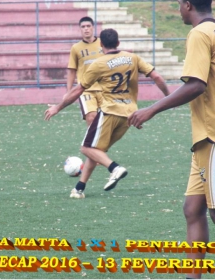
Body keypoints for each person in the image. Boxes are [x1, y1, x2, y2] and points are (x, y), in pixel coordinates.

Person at [128, 0, 214, 278]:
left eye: (179, 4)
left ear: (187, 5)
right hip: (203, 141)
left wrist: (152, 108)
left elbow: (196, 84)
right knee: (193, 209)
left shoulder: (200, 34)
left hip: (212, 138)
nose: (178, 9)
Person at [45, 28, 169, 199]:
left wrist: (57, 107)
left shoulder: (98, 63)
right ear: (118, 43)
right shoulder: (132, 58)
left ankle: (114, 168)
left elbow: (78, 90)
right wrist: (169, 98)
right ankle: (79, 188)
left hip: (110, 112)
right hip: (129, 115)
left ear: (101, 44)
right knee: (97, 151)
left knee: (86, 148)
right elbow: (158, 78)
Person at [66, 16, 103, 126]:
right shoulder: (76, 48)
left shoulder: (103, 43)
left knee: (106, 121)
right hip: (86, 89)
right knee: (91, 117)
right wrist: (69, 92)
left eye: (88, 26)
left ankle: (100, 142)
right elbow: (72, 70)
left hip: (105, 88)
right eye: (83, 27)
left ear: (93, 28)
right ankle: (91, 143)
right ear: (80, 29)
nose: (86, 29)